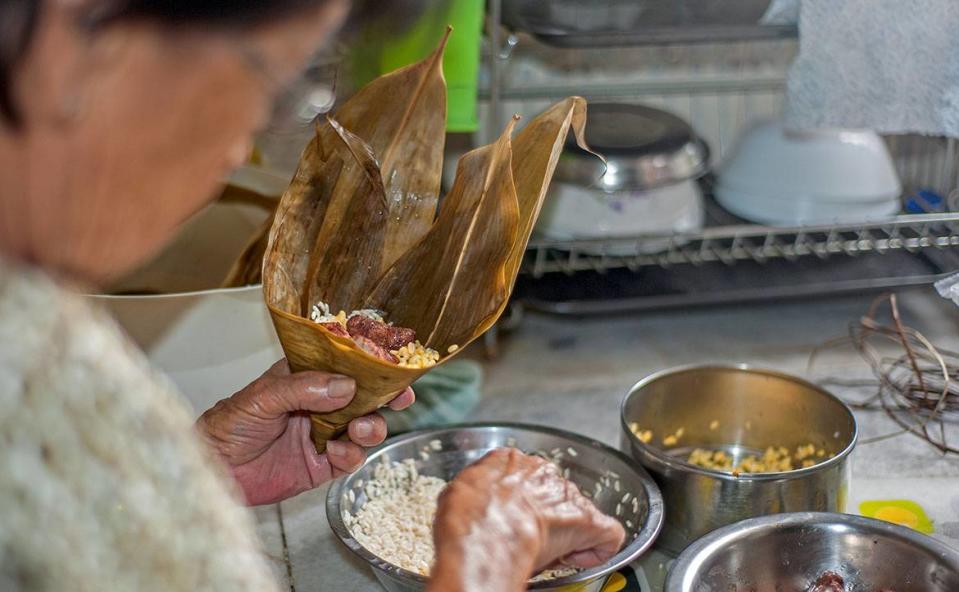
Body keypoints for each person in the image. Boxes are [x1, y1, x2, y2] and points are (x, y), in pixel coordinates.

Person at [0, 1, 625, 591]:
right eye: (269, 85)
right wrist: (487, 553)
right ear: (79, 37)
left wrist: (198, 475)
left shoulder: (32, 321)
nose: (231, 152)